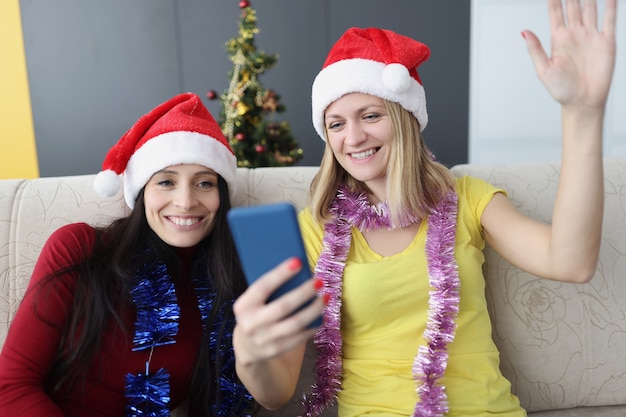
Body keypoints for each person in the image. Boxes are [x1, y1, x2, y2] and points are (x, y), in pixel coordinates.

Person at [231, 0, 618, 416]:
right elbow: (277, 394)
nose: (354, 136)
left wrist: (582, 114)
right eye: (336, 124)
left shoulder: (468, 198)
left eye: (370, 115)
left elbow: (571, 262)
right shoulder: (314, 230)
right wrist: (251, 353)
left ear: (404, 118)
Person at [0, 92, 254, 416]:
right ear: (141, 191)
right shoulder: (80, 247)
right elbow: (11, 387)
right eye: (165, 182)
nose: (186, 201)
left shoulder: (226, 284)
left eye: (204, 183)